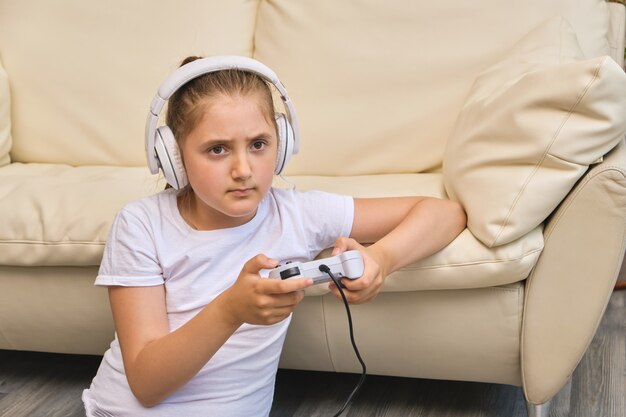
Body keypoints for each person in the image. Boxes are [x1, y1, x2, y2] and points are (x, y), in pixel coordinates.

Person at [82, 55, 466, 417]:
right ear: (174, 155)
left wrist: (382, 259)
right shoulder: (141, 223)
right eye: (217, 149)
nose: (243, 169)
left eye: (258, 145)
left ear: (281, 146)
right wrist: (229, 310)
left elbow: (444, 213)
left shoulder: (296, 214)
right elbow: (147, 384)